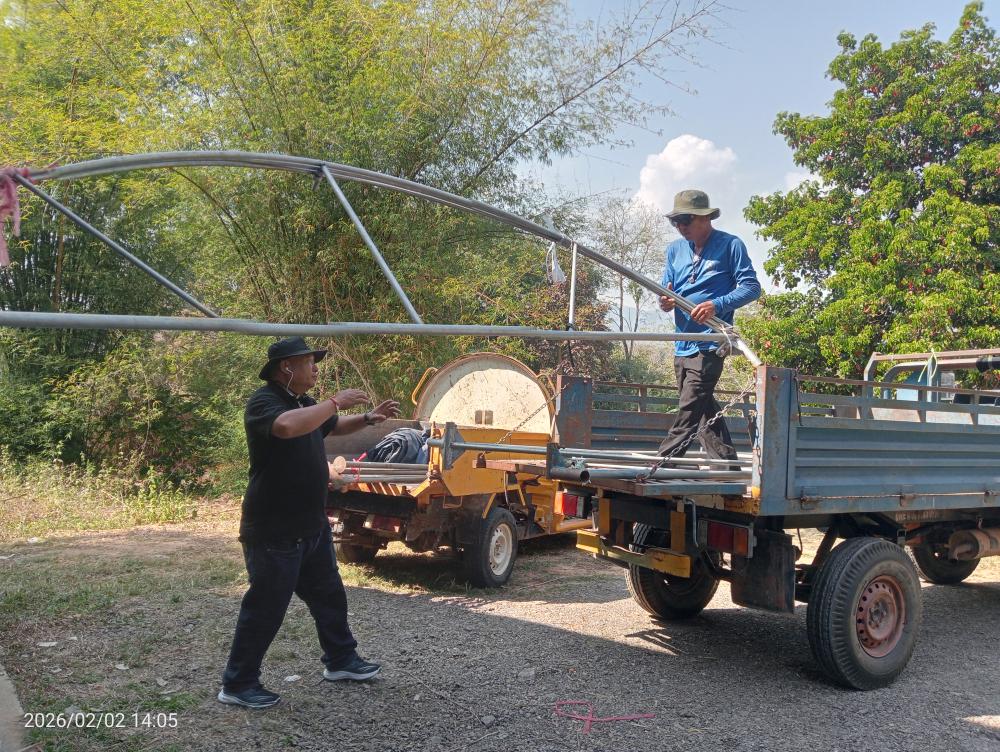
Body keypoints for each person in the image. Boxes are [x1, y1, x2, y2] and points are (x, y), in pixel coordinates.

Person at [218, 336, 401, 709]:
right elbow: (286, 427)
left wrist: (367, 418)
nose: (316, 368)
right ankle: (238, 683)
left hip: (311, 527)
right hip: (274, 529)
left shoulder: (303, 402)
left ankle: (341, 660)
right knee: (266, 607)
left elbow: (331, 426)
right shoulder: (265, 402)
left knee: (329, 597)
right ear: (286, 367)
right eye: (309, 362)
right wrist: (334, 401)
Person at [657, 189, 761, 464]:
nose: (680, 227)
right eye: (676, 221)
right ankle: (727, 463)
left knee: (689, 408)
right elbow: (666, 289)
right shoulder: (675, 250)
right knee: (703, 409)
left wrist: (717, 305)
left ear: (705, 218)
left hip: (711, 342)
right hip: (682, 342)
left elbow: (752, 288)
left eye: (686, 220)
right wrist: (665, 301)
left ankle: (661, 464)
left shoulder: (731, 245)